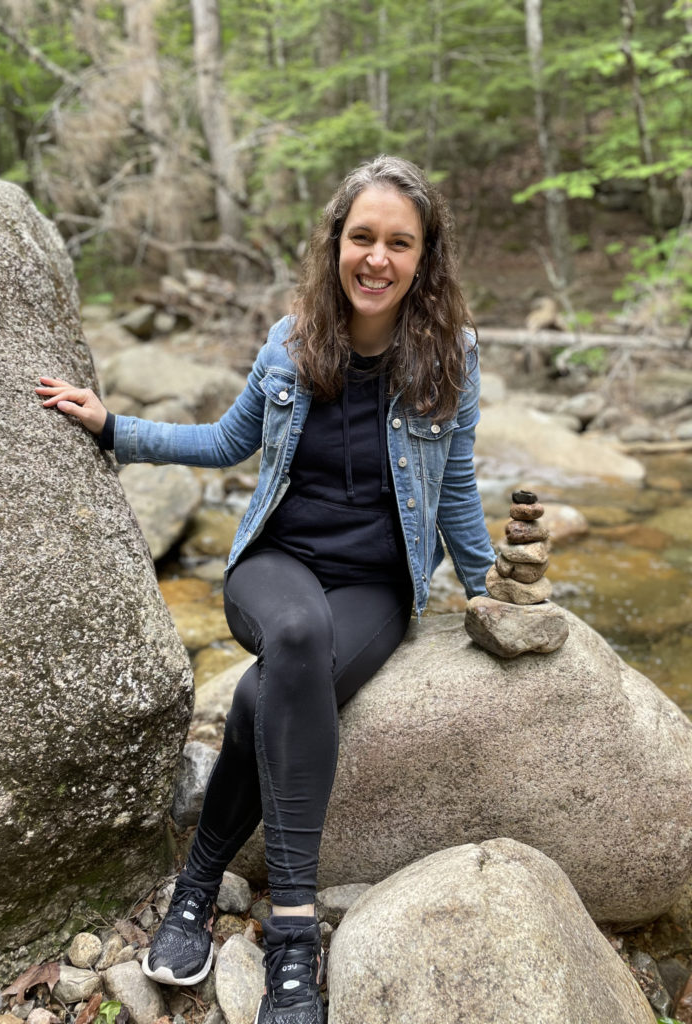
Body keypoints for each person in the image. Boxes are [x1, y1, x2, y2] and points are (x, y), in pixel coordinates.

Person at [36, 154, 495, 1024]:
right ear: (335, 243)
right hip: (274, 566)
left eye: (400, 243)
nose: (377, 258)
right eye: (362, 236)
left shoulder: (452, 356)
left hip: (374, 588)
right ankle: (291, 926)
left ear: (425, 257)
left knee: (261, 692)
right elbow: (223, 444)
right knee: (289, 639)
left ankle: (199, 882)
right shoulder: (291, 344)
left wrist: (492, 594)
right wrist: (113, 426)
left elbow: (460, 490)